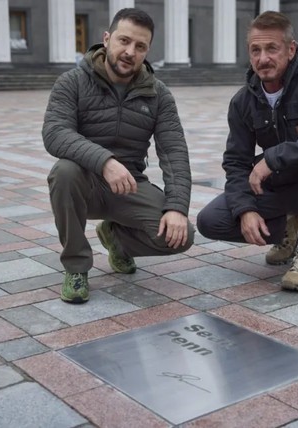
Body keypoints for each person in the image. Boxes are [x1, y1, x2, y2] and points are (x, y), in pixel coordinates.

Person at [43, 8, 195, 304]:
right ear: (107, 38)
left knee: (181, 236)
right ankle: (76, 267)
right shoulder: (72, 82)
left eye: (140, 46)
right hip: (84, 183)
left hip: (130, 186)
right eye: (124, 41)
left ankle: (117, 239)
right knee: (63, 171)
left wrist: (177, 207)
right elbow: (55, 133)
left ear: (147, 50)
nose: (130, 51)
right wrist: (105, 161)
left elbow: (174, 151)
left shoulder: (158, 94)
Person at [196, 11, 298, 292]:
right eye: (256, 50)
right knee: (210, 221)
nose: (263, 58)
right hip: (279, 187)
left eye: (272, 48)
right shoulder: (244, 100)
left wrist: (272, 158)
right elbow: (236, 162)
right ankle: (288, 230)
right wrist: (245, 210)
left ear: (291, 50)